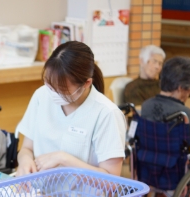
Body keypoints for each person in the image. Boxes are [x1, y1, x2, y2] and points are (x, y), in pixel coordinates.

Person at [17, 41, 126, 178]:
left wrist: (63, 158)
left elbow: (112, 181)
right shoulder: (41, 95)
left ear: (86, 83)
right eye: (49, 85)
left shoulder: (106, 114)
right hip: (39, 194)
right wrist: (25, 160)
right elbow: (27, 148)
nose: (53, 93)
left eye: (61, 89)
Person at [141, 56, 190, 140]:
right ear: (180, 88)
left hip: (146, 153)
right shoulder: (187, 116)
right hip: (176, 153)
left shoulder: (146, 106)